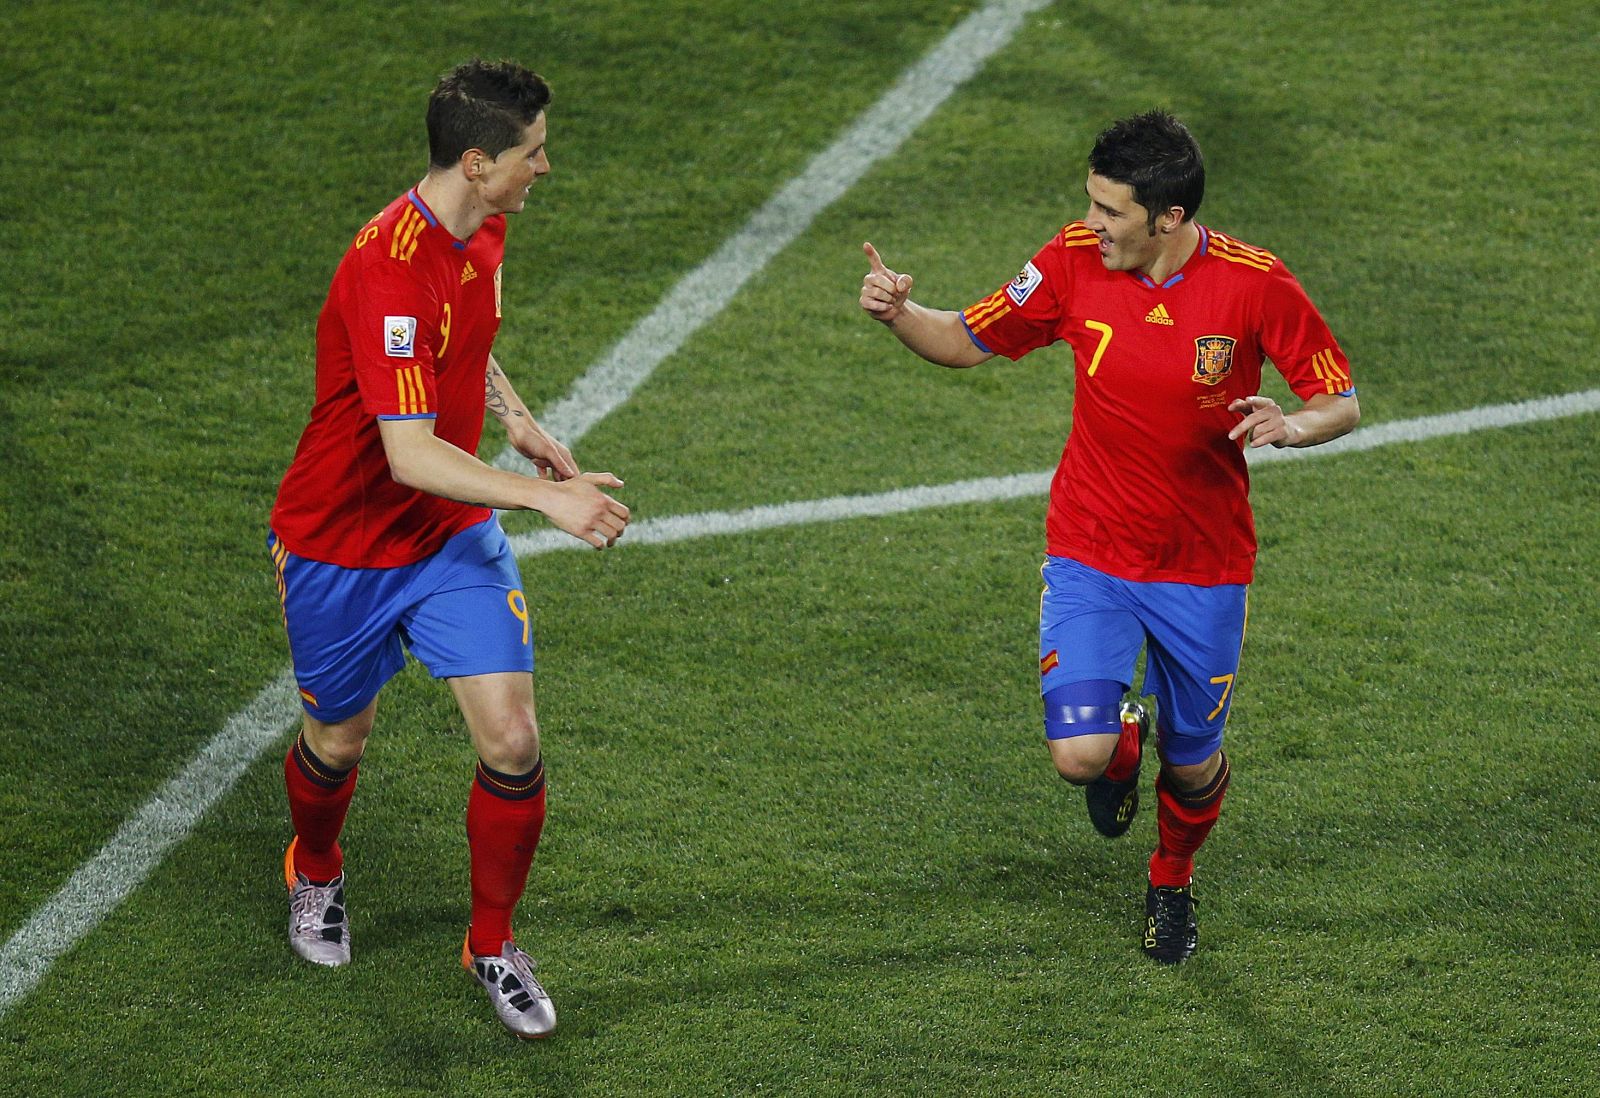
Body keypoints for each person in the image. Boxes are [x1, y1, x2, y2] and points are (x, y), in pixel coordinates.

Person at [858, 109, 1358, 963]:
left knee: (1195, 765)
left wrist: (1294, 426)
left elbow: (1339, 398)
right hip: (1091, 547)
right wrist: (901, 313)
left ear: (1170, 219)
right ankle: (1123, 735)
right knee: (1080, 755)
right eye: (1091, 203)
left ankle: (1171, 879)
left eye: (1111, 211)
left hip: (1203, 565)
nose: (1093, 224)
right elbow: (964, 340)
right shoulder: (1070, 261)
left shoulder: (1254, 282)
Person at [267, 58, 630, 1037]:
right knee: (338, 740)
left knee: (512, 740)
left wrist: (513, 414)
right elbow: (410, 453)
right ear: (476, 161)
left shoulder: (484, 224)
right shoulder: (387, 270)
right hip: (342, 542)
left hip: (448, 538)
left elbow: (464, 333)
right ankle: (317, 869)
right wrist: (541, 503)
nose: (543, 168)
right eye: (532, 153)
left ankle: (491, 941)